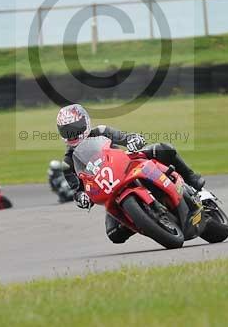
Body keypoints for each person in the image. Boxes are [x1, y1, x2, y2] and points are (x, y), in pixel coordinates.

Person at [56, 103, 205, 244]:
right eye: (67, 131)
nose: (73, 134)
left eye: (75, 128)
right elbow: (76, 190)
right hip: (111, 190)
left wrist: (133, 139)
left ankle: (191, 179)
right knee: (114, 234)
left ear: (85, 122)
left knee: (164, 148)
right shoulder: (68, 163)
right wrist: (81, 197)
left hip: (129, 164)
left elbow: (123, 137)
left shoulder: (101, 131)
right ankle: (144, 220)